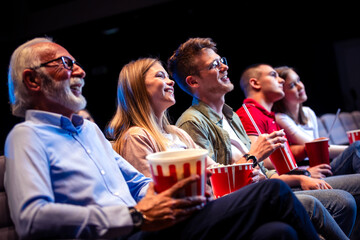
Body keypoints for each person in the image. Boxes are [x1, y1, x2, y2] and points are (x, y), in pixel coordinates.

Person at [4, 37, 320, 240]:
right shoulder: (26, 136)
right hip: (131, 231)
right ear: (32, 80)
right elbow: (33, 220)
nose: (81, 71)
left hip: (150, 228)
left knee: (277, 233)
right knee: (273, 191)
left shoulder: (88, 131)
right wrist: (134, 216)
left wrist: (183, 193)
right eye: (65, 64)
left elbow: (139, 183)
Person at [168, 37, 355, 239]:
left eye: (222, 60)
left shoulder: (231, 116)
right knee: (340, 200)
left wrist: (297, 176)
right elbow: (215, 187)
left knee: (344, 201)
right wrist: (253, 156)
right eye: (214, 65)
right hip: (252, 202)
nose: (224, 67)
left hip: (268, 190)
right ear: (193, 81)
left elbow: (264, 173)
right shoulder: (192, 122)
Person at [236, 63, 360, 239]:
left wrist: (305, 170)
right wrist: (305, 173)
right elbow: (261, 162)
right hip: (286, 184)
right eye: (273, 75)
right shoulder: (249, 114)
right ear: (256, 83)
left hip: (297, 176)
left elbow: (281, 158)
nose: (280, 80)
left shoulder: (269, 115)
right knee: (346, 195)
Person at [106, 58, 218, 178]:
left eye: (168, 77)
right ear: (138, 87)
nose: (171, 82)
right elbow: (151, 190)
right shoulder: (136, 136)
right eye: (160, 76)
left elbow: (214, 170)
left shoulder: (177, 132)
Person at [273, 66, 360, 177]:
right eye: (292, 85)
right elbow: (316, 147)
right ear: (281, 94)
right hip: (307, 172)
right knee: (356, 148)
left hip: (322, 165)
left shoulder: (308, 112)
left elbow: (321, 150)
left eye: (299, 80)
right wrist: (354, 148)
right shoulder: (281, 118)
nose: (300, 86)